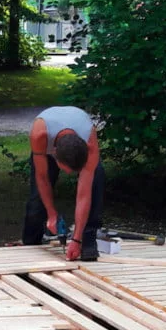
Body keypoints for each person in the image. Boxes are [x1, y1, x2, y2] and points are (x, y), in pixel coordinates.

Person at [22, 105, 104, 261]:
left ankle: (88, 239)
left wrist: (76, 238)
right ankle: (31, 243)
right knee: (36, 198)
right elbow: (42, 178)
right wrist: (51, 214)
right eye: (67, 170)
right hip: (46, 144)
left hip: (79, 139)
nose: (69, 174)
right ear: (55, 157)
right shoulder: (39, 134)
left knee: (95, 184)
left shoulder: (89, 142)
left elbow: (83, 195)